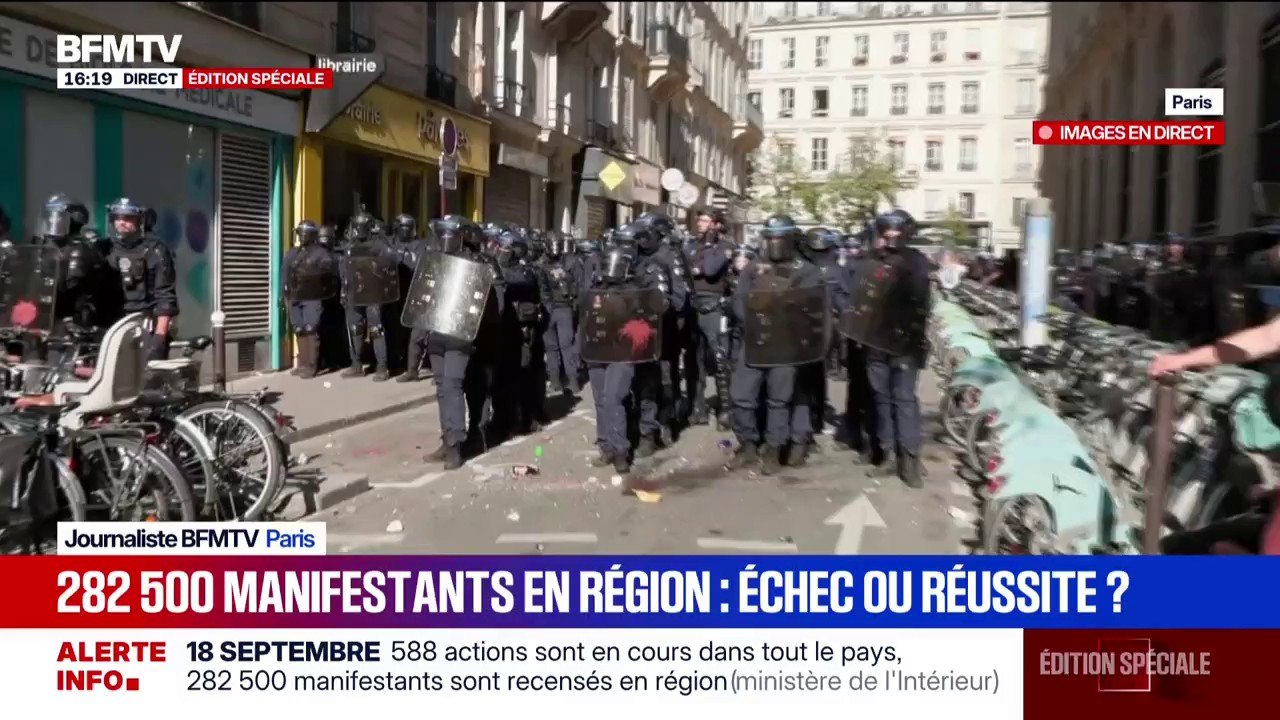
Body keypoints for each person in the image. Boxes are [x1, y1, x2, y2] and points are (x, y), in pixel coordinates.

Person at [727, 214, 826, 475]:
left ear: (791, 239)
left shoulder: (807, 271)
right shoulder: (753, 268)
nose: (774, 244)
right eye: (770, 239)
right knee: (741, 398)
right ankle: (748, 444)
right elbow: (739, 300)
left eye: (779, 239)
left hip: (787, 345)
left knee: (779, 401)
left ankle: (773, 448)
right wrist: (750, 320)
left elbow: (811, 308)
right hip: (755, 340)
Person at [421, 216, 504, 469]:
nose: (444, 239)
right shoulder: (436, 260)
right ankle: (447, 439)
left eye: (449, 235)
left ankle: (456, 444)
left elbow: (491, 306)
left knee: (454, 385)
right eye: (442, 234)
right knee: (442, 388)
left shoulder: (479, 264)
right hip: (436, 331)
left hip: (460, 334)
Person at [857, 209, 931, 488]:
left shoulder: (916, 261)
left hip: (904, 341)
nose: (890, 235)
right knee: (881, 397)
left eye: (895, 230)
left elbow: (921, 298)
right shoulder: (870, 260)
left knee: (904, 398)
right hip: (875, 340)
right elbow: (860, 295)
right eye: (885, 230)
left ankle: (910, 457)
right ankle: (887, 452)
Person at [580, 239, 667, 473]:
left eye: (615, 263)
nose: (610, 267)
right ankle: (606, 445)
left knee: (613, 398)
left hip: (622, 353)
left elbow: (657, 309)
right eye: (607, 262)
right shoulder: (596, 288)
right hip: (598, 350)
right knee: (600, 401)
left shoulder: (635, 290)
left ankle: (620, 450)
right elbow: (585, 314)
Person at [789, 226, 842, 466]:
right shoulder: (833, 269)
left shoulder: (804, 268)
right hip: (822, 327)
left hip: (811, 327)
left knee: (805, 380)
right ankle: (814, 421)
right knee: (815, 377)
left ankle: (809, 423)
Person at [103, 198, 178, 362]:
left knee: (146, 376)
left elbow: (165, 295)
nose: (121, 222)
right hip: (113, 324)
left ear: (140, 221)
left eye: (128, 218)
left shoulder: (155, 250)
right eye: (118, 218)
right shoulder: (106, 249)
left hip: (145, 322)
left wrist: (159, 336)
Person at [637, 212, 690, 437]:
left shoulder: (670, 256)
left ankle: (667, 418)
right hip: (638, 328)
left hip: (665, 326)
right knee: (642, 378)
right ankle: (643, 423)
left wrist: (661, 305)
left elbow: (680, 297)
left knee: (666, 375)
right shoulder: (634, 256)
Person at [686, 208, 734, 426]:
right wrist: (698, 266)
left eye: (705, 220)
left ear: (716, 224)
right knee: (694, 359)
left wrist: (707, 248)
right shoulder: (692, 244)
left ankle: (726, 409)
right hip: (693, 304)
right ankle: (698, 406)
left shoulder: (725, 246)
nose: (700, 223)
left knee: (720, 358)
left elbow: (712, 269)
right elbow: (688, 270)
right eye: (699, 219)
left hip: (714, 306)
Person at [497, 230, 548, 433]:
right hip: (502, 330)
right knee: (503, 378)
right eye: (501, 247)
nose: (502, 251)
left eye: (507, 248)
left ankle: (528, 418)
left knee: (524, 375)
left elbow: (522, 285)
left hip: (522, 331)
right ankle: (502, 419)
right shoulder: (496, 267)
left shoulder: (525, 272)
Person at [339, 210, 397, 381]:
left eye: (360, 226)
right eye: (355, 226)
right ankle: (356, 365)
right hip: (353, 293)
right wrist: (343, 289)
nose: (357, 229)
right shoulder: (350, 246)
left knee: (376, 330)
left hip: (373, 294)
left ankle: (382, 367)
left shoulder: (379, 245)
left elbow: (390, 262)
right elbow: (344, 269)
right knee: (355, 329)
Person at [283, 220, 337, 379]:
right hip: (295, 296)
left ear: (312, 235)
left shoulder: (320, 253)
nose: (301, 236)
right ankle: (303, 363)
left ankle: (312, 366)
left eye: (304, 233)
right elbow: (285, 273)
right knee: (299, 328)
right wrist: (283, 293)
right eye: (299, 233)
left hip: (312, 297)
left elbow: (328, 272)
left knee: (310, 329)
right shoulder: (292, 252)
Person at [538, 231, 581, 394]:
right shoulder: (569, 262)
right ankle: (564, 380)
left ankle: (565, 381)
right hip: (559, 308)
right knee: (560, 346)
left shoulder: (543, 263)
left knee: (557, 347)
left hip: (558, 308)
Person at [393, 214, 435, 383]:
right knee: (398, 332)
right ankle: (399, 364)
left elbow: (418, 266)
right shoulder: (392, 244)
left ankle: (416, 369)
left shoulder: (420, 246)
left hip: (418, 293)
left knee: (419, 335)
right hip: (397, 295)